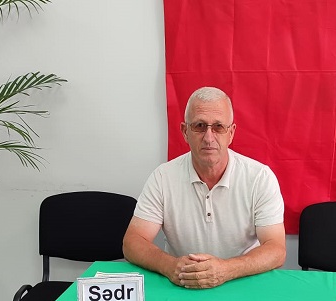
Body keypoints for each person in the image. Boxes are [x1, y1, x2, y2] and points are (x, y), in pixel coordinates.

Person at [123, 86, 286, 289]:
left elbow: (276, 249)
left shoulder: (260, 177)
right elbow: (133, 242)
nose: (209, 138)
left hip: (242, 282)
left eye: (218, 127)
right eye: (199, 126)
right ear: (185, 132)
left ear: (231, 133)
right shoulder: (163, 177)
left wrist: (227, 270)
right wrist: (170, 266)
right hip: (181, 283)